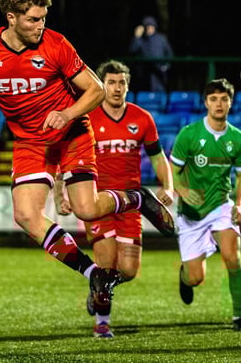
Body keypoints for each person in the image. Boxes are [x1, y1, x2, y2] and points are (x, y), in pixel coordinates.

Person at [0, 0, 175, 327]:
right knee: (26, 216)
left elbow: (94, 90)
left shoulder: (56, 45)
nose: (40, 25)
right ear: (11, 17)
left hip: (72, 134)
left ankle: (136, 198)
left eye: (44, 18)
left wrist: (67, 113)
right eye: (34, 19)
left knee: (88, 209)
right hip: (31, 141)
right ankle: (94, 273)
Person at [54, 59, 174, 338]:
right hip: (98, 202)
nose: (117, 88)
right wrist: (61, 192)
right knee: (107, 263)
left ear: (128, 86)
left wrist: (167, 185)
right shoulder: (89, 117)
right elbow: (66, 156)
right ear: (102, 85)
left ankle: (97, 284)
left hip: (131, 203)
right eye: (111, 82)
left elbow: (158, 157)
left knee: (129, 270)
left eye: (122, 83)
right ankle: (102, 322)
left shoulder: (142, 118)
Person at [169, 78, 241, 332]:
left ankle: (239, 317)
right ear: (205, 103)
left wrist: (239, 204)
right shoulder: (189, 134)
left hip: (220, 206)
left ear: (230, 102)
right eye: (214, 99)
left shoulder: (238, 138)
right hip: (191, 213)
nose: (219, 103)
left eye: (224, 99)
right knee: (196, 278)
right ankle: (185, 275)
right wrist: (182, 190)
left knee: (232, 256)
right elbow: (173, 171)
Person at [128, 15, 174, 93]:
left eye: (151, 26)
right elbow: (132, 51)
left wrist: (165, 66)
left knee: (160, 94)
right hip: (145, 74)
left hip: (159, 73)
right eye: (147, 27)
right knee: (145, 95)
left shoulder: (161, 39)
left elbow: (169, 54)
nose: (149, 29)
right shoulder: (141, 40)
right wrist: (136, 37)